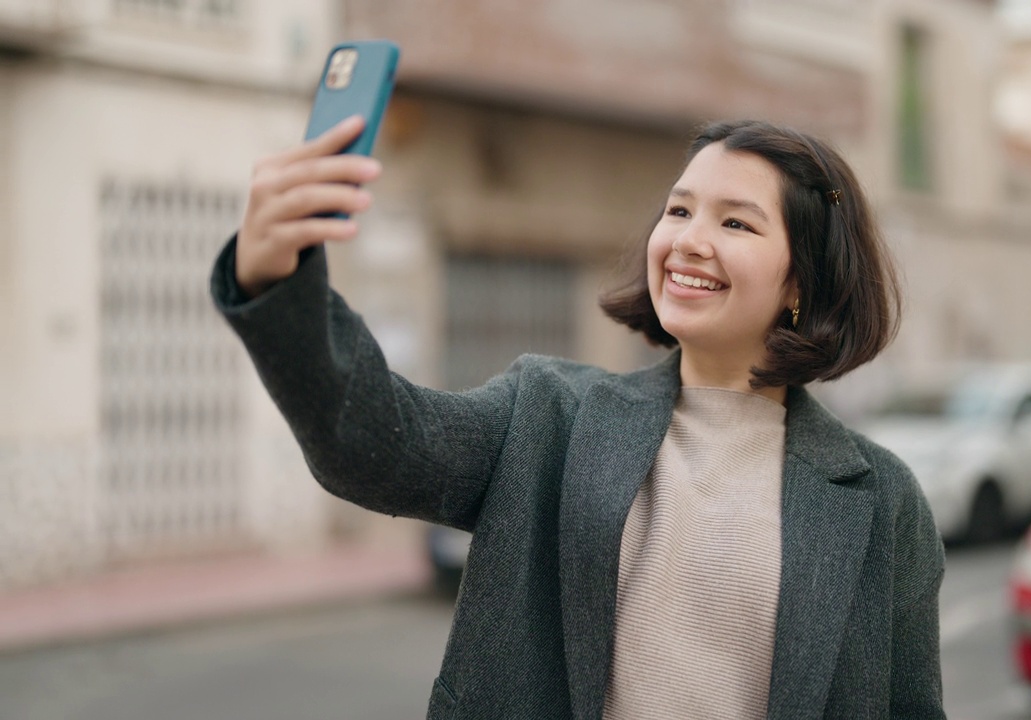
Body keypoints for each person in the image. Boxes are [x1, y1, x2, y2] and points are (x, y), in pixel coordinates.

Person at [211, 116, 946, 719]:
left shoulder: (883, 503)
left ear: (802, 283)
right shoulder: (549, 414)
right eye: (679, 209)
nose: (688, 239)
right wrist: (272, 277)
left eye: (737, 223)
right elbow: (371, 444)